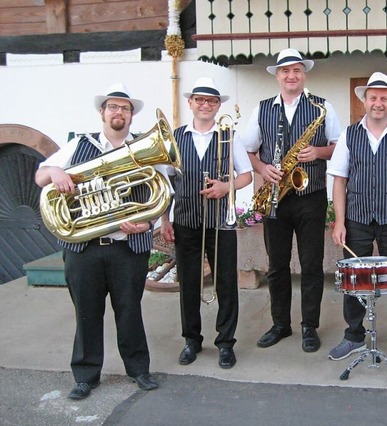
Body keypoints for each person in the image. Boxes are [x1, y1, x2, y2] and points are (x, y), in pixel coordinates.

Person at [34, 83, 160, 399]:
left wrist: (147, 222)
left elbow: (161, 192)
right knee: (86, 312)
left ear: (131, 115)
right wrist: (55, 173)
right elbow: (40, 177)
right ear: (102, 112)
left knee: (129, 310)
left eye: (125, 108)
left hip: (127, 249)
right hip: (84, 248)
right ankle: (86, 376)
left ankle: (139, 370)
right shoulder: (79, 145)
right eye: (113, 107)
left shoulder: (144, 147)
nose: (119, 112)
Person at [243, 48, 342, 352]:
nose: (291, 76)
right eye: (285, 71)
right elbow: (246, 149)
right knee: (277, 266)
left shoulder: (322, 107)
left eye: (296, 70)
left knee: (312, 265)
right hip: (275, 197)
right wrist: (262, 168)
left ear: (304, 74)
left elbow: (340, 147)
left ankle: (309, 326)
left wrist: (319, 152)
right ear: (277, 75)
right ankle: (280, 324)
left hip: (310, 197)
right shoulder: (261, 109)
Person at [326, 72, 387, 362]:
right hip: (356, 218)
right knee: (354, 281)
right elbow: (339, 180)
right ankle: (354, 336)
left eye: (384, 98)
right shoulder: (349, 134)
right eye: (373, 97)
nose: (378, 103)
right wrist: (339, 221)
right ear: (365, 101)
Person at [160, 77, 252, 369]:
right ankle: (192, 340)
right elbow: (164, 182)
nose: (205, 105)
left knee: (226, 283)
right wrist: (164, 219)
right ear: (190, 103)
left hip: (220, 222)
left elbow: (247, 175)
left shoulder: (229, 136)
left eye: (211, 101)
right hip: (186, 220)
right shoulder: (174, 138)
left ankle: (225, 342)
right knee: (188, 283)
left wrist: (227, 187)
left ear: (218, 105)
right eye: (199, 99)